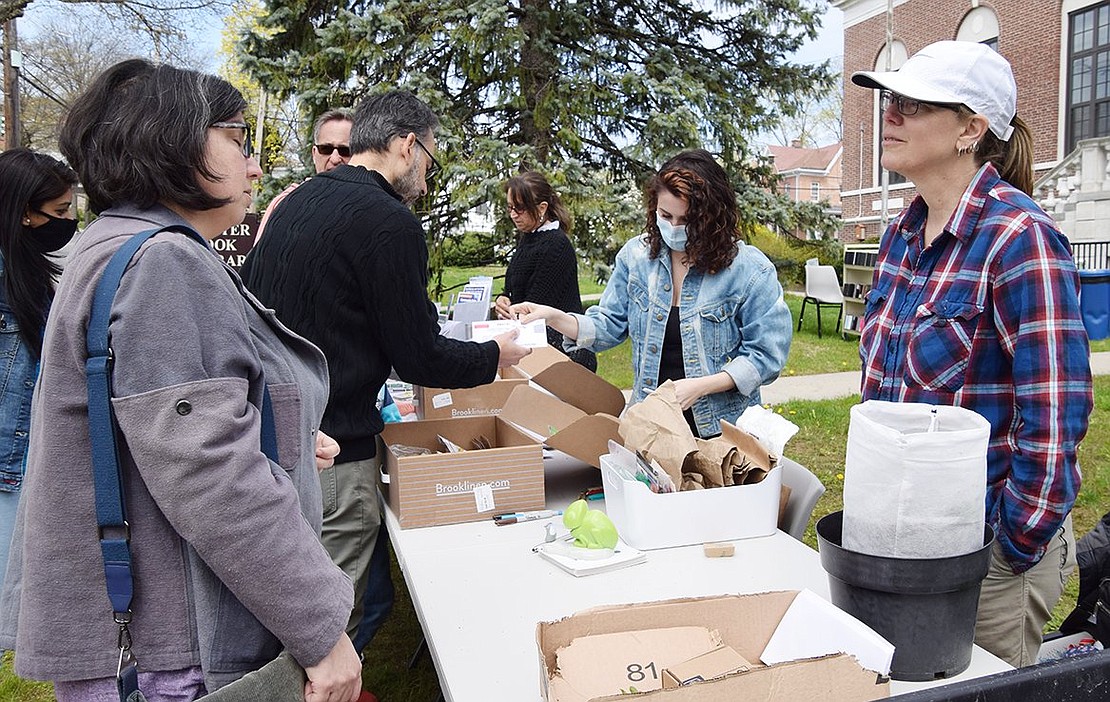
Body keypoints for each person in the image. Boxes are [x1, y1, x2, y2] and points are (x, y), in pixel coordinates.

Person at [0, 59, 361, 701]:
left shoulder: (111, 244)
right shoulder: (163, 262)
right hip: (173, 649)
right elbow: (209, 471)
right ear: (173, 140)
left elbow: (145, 430)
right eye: (239, 140)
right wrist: (322, 629)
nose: (255, 167)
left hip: (143, 639)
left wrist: (282, 441)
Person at [240, 90, 530, 669]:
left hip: (274, 434)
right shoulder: (389, 221)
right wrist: (491, 356)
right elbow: (419, 355)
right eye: (431, 158)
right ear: (405, 146)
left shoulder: (299, 200)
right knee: (325, 626)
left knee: (286, 601)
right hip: (335, 444)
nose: (427, 177)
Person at [851, 40, 1093, 667]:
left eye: (911, 103)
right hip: (900, 542)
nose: (890, 114)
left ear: (970, 127)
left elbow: (1056, 414)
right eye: (889, 100)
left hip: (984, 556)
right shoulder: (902, 237)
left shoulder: (1019, 238)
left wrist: (1013, 545)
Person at [515, 149, 792, 438]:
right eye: (665, 215)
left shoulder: (750, 270)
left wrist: (701, 386)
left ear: (712, 217)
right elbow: (608, 324)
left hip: (721, 430)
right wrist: (554, 317)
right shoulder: (636, 257)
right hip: (650, 423)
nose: (674, 228)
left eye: (686, 220)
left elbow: (766, 355)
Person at [0, 149, 78, 584]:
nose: (68, 222)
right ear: (24, 213)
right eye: (60, 211)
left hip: (20, 458)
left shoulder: (23, 267)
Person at [494, 171, 597, 371]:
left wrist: (512, 310)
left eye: (520, 208)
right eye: (510, 208)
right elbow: (516, 288)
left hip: (562, 357)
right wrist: (503, 300)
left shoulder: (555, 245)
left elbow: (535, 306)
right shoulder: (529, 237)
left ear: (542, 208)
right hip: (538, 348)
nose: (514, 214)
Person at [256, 108, 354, 239]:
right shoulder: (285, 204)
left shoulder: (373, 209)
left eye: (345, 150)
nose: (335, 159)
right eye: (326, 149)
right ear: (314, 154)